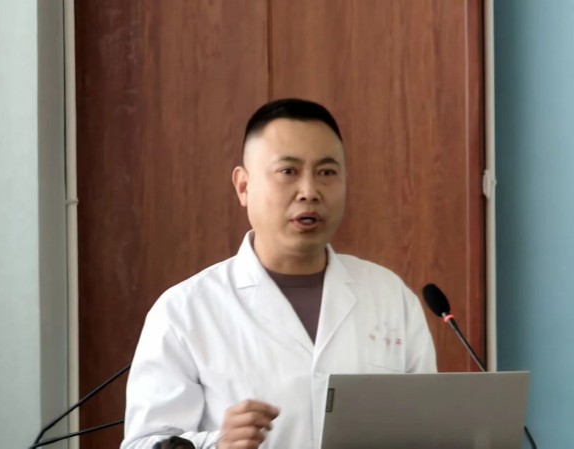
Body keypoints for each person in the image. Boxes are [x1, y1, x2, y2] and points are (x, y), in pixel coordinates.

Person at [121, 98, 437, 449]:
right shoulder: (185, 311)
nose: (309, 192)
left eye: (326, 172)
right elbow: (143, 444)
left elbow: (428, 428)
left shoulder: (390, 296)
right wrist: (217, 444)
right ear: (244, 186)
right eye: (288, 172)